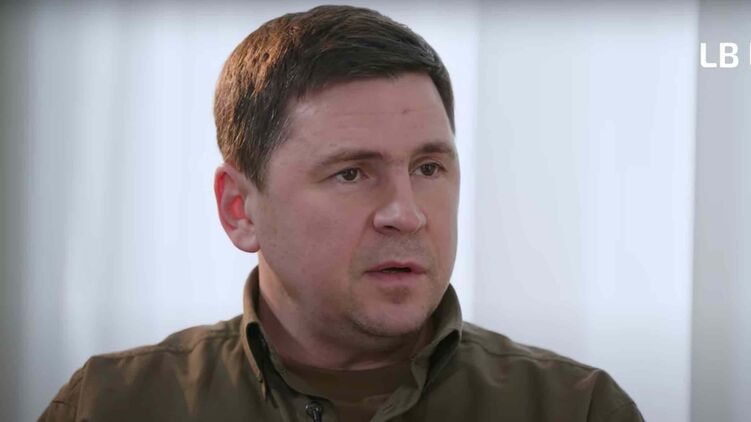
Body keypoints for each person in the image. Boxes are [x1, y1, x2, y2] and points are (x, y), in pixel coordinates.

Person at [41, 5, 643, 422]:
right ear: (239, 209)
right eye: (351, 173)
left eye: (429, 168)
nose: (406, 214)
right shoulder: (110, 406)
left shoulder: (577, 409)